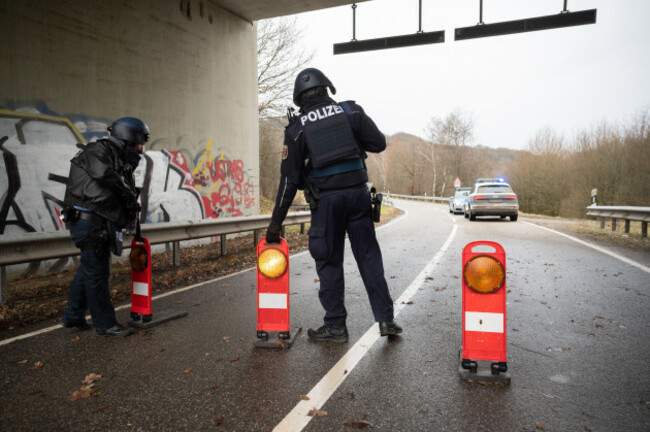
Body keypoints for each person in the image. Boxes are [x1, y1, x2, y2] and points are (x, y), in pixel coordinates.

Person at [265, 68, 402, 342]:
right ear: (327, 88)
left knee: (328, 261)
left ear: (299, 98)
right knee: (368, 257)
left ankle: (336, 326)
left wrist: (275, 223)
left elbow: (289, 182)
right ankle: (386, 319)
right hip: (357, 197)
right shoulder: (351, 112)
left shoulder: (297, 129)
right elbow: (378, 143)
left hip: (327, 203)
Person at [60, 117, 150, 337]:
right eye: (139, 144)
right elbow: (105, 175)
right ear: (128, 139)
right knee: (98, 274)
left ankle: (73, 316)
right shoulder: (99, 151)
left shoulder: (116, 157)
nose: (141, 149)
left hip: (95, 222)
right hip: (89, 223)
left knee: (89, 269)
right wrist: (129, 195)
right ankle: (105, 324)